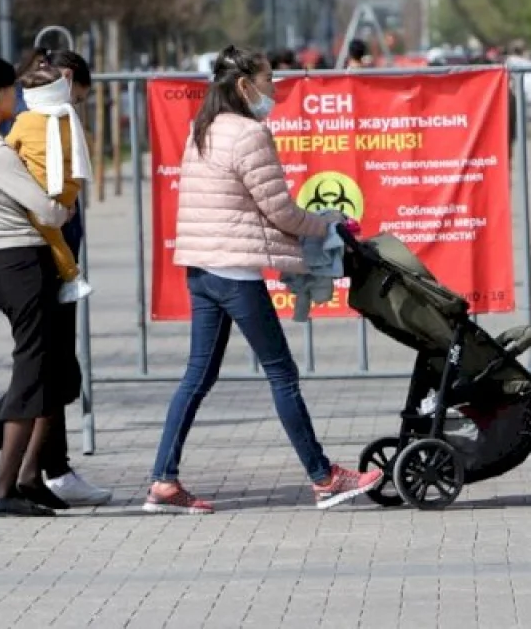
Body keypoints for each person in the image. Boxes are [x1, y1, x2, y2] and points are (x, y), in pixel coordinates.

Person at [143, 45, 384, 514]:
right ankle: (325, 478)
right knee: (282, 374)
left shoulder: (202, 129)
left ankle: (163, 480)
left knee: (197, 376)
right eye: (268, 80)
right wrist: (330, 225)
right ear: (243, 86)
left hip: (202, 270)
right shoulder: (250, 134)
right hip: (234, 274)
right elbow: (281, 212)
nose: (274, 89)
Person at [0, 48, 113, 510]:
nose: (16, 97)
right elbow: (47, 207)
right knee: (32, 373)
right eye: (11, 89)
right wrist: (65, 206)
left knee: (49, 370)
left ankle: (33, 475)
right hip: (21, 263)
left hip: (8, 262)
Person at [6, 61, 93, 303]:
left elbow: (8, 148)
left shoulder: (25, 121)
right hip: (69, 190)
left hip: (45, 190)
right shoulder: (70, 118)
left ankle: (72, 277)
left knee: (51, 233)